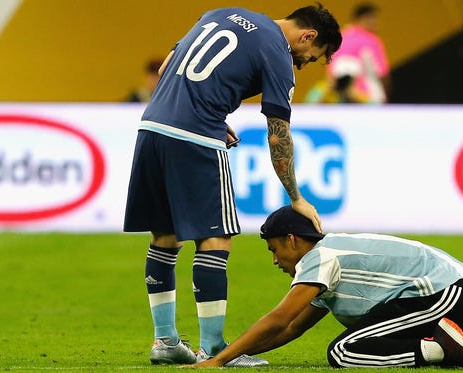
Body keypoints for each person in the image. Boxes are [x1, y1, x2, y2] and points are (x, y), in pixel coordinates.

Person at [123, 4, 342, 366]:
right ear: (309, 36)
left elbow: (166, 69)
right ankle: (214, 349)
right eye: (311, 57)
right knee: (215, 238)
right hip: (196, 138)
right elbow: (278, 136)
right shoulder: (277, 52)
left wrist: (200, 108)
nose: (303, 63)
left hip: (152, 128)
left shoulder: (218, 14)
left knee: (164, 236)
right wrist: (296, 197)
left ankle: (165, 341)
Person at [193, 206, 463, 370]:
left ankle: (445, 350)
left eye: (274, 249)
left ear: (292, 240)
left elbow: (280, 318)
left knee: (343, 351)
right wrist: (237, 357)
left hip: (447, 294)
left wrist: (219, 360)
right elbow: (294, 327)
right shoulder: (330, 261)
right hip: (458, 294)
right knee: (359, 339)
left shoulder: (320, 257)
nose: (275, 260)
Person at [327, 2, 390, 103]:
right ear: (361, 18)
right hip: (370, 100)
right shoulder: (371, 40)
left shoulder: (340, 38)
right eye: (372, 18)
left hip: (342, 100)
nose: (376, 22)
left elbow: (331, 72)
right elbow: (382, 73)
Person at [304, 57, 370, 103]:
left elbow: (376, 107)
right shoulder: (324, 88)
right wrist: (327, 90)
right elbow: (308, 104)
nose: (344, 83)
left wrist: (356, 96)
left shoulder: (361, 89)